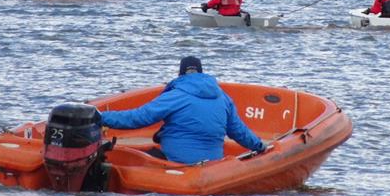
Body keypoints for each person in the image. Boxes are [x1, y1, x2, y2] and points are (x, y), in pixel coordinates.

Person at [100, 56, 267, 164]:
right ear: (202, 73)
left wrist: (102, 117)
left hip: (175, 163)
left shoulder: (176, 96)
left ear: (180, 74)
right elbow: (239, 132)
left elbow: (138, 118)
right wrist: (260, 146)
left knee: (140, 158)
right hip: (213, 166)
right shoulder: (223, 98)